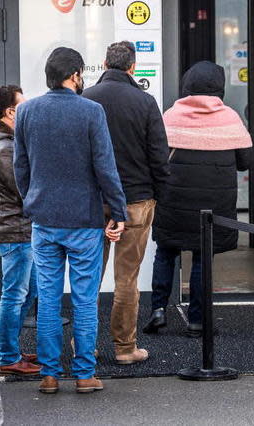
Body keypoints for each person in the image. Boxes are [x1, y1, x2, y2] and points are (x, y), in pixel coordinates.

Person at [13, 47, 128, 394]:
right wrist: (118, 212)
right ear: (76, 75)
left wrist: (30, 199)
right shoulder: (92, 112)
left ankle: (49, 375)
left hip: (44, 220)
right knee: (84, 298)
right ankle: (83, 374)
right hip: (84, 220)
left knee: (48, 299)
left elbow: (21, 167)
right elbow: (105, 168)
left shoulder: (27, 111)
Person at [144, 61, 252, 337]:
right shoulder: (230, 117)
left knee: (166, 252)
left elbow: (155, 157)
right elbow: (245, 162)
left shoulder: (170, 115)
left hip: (173, 200)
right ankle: (197, 320)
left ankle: (158, 310)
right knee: (203, 258)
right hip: (213, 205)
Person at [82, 41, 169, 365]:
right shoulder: (145, 102)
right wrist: (159, 194)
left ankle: (85, 347)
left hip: (94, 202)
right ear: (132, 67)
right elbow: (159, 157)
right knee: (127, 279)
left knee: (88, 277)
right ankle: (124, 348)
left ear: (104, 63)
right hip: (135, 200)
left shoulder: (86, 98)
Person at [0, 85, 40, 376]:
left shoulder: (3, 143)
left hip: (18, 229)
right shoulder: (3, 148)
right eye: (23, 106)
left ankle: (10, 348)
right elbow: (25, 188)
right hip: (13, 231)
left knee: (28, 291)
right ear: (10, 112)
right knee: (15, 294)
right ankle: (8, 356)